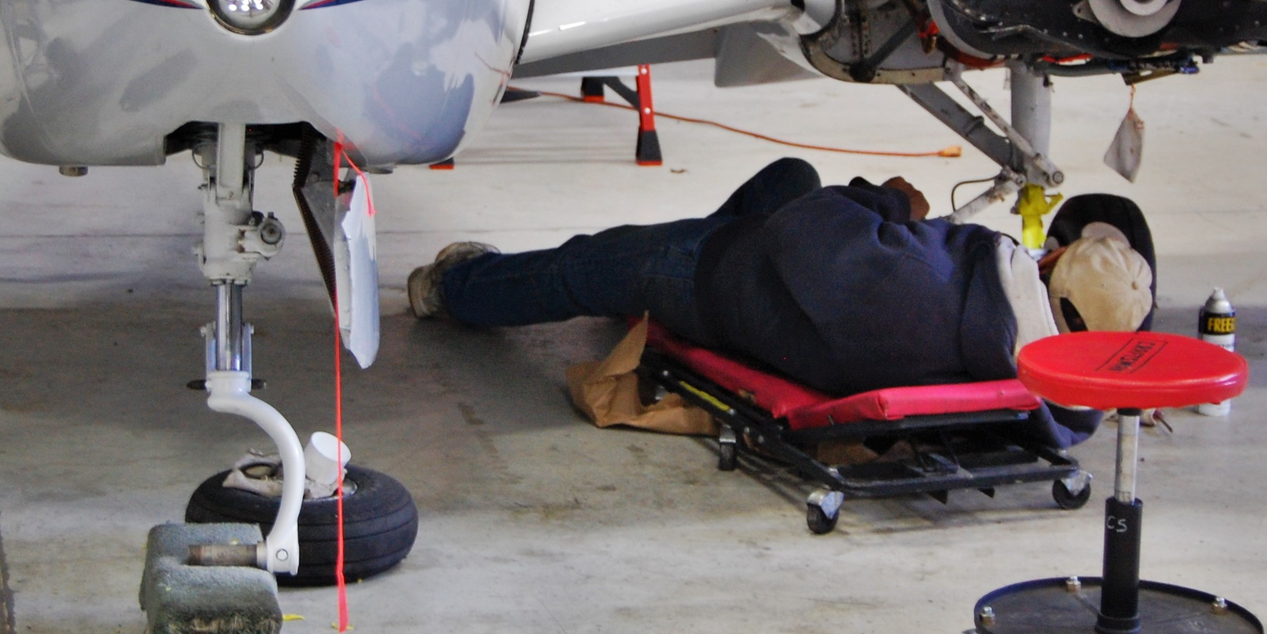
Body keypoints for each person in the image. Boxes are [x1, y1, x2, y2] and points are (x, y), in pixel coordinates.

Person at [408, 158, 1157, 447]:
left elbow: (808, 231)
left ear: (1051, 259)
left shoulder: (923, 282)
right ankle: (634, 274)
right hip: (800, 309)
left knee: (590, 263)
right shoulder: (1020, 375)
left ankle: (455, 289)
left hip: (728, 285)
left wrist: (888, 202)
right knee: (789, 173)